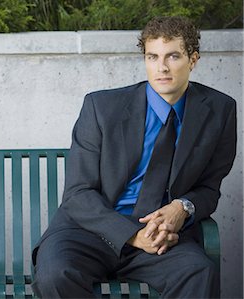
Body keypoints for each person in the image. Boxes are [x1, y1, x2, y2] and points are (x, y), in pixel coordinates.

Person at [31, 16, 237, 298]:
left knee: (198, 272)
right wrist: (132, 236)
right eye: (153, 57)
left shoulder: (220, 111)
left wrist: (183, 207)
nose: (161, 67)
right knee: (56, 274)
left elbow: (209, 188)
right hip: (90, 232)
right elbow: (79, 193)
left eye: (173, 56)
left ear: (193, 59)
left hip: (160, 239)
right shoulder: (101, 108)